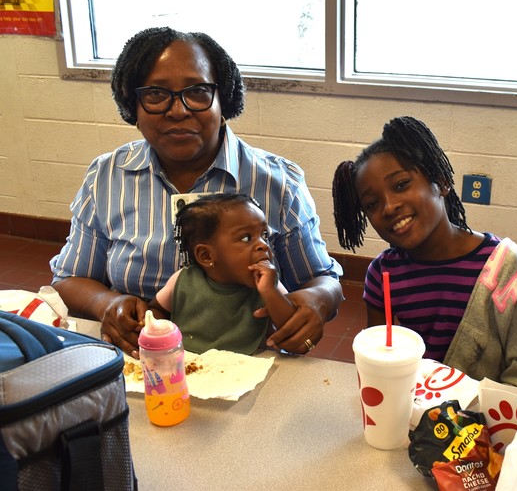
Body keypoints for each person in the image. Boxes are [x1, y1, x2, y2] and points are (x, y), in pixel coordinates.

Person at [50, 27, 342, 358]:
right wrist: (108, 304)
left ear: (224, 98)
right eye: (156, 94)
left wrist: (320, 300)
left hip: (247, 366)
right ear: (133, 105)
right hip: (137, 359)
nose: (178, 110)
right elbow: (70, 277)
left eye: (198, 91)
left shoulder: (278, 182)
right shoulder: (107, 176)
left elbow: (321, 278)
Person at [332, 116, 517, 387]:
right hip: (412, 410)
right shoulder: (383, 274)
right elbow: (379, 364)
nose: (389, 206)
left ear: (441, 182)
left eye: (401, 185)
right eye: (372, 203)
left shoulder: (504, 267)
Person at [148, 193, 296, 354]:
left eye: (264, 235)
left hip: (253, 366)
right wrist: (161, 339)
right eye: (246, 238)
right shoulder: (183, 281)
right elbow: (156, 311)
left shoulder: (267, 283)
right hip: (190, 366)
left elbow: (293, 327)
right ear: (206, 256)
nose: (263, 245)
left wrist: (270, 293)